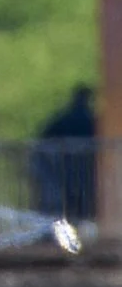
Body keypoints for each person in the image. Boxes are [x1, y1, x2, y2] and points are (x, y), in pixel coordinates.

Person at [32, 85, 96, 224]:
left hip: (63, 167)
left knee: (61, 200)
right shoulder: (88, 118)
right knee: (78, 198)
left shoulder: (66, 116)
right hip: (76, 168)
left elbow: (44, 136)